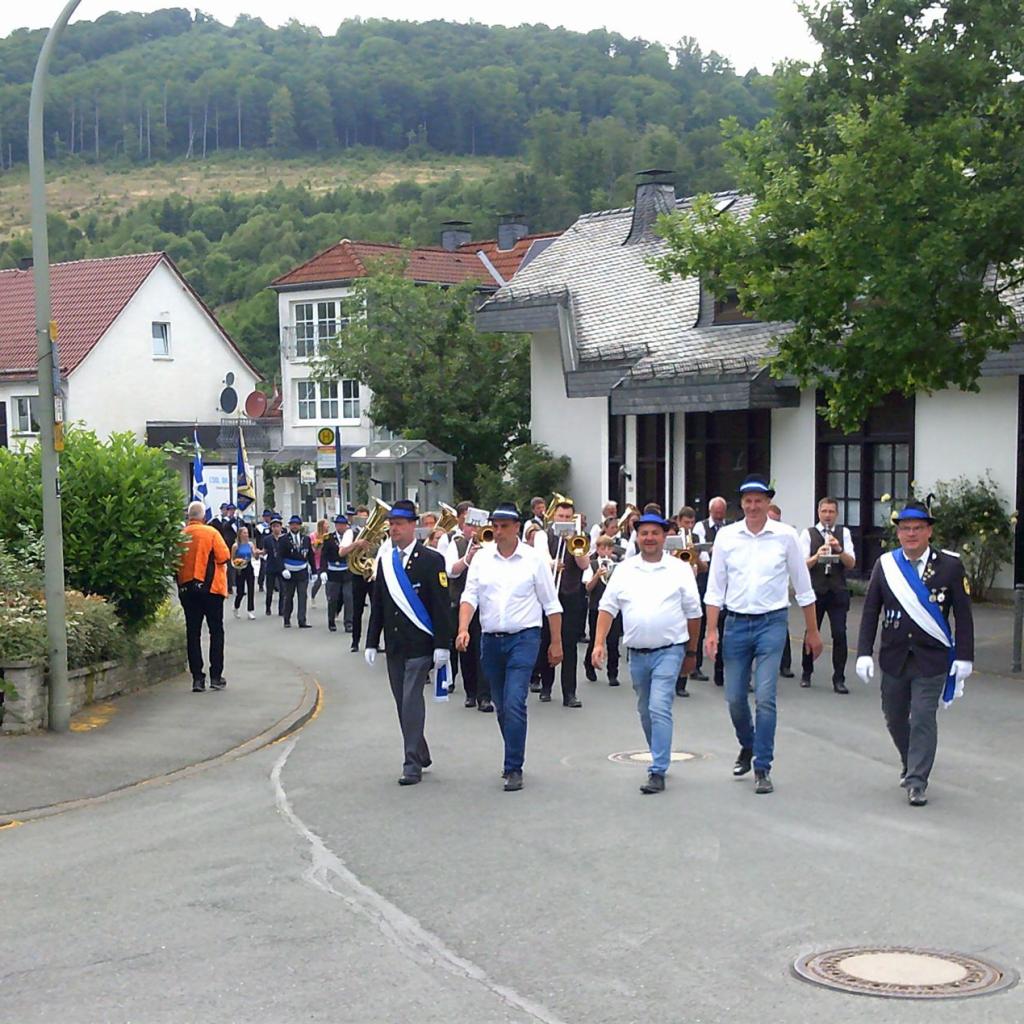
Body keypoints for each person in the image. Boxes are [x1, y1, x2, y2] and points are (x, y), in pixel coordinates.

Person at [704, 475, 823, 794]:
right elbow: (715, 590)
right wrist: (711, 630)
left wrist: (812, 632)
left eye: (759, 500)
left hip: (772, 622)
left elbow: (803, 587)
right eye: (748, 501)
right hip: (736, 623)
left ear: (768, 503)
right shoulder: (728, 537)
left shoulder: (785, 537)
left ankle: (762, 766)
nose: (754, 506)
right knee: (734, 698)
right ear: (741, 504)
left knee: (767, 697)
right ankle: (748, 743)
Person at [855, 502, 974, 806]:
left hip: (932, 657)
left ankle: (917, 780)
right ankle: (911, 761)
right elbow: (870, 610)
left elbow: (963, 613)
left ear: (929, 531)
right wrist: (864, 653)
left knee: (922, 716)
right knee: (895, 717)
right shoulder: (887, 565)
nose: (911, 534)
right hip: (894, 655)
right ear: (898, 533)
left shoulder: (949, 565)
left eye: (917, 528)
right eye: (905, 529)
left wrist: (965, 656)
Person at [592, 512, 703, 794]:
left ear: (665, 536)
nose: (649, 538)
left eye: (655, 533)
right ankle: (659, 752)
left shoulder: (679, 569)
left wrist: (691, 652)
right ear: (637, 537)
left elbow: (694, 613)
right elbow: (608, 607)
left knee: (658, 706)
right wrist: (599, 643)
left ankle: (658, 770)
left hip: (670, 650)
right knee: (645, 709)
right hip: (638, 654)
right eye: (644, 533)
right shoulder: (625, 570)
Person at [458, 502, 563, 792]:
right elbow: (470, 595)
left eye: (505, 526)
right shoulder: (481, 559)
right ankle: (513, 750)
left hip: (525, 637)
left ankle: (513, 766)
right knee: (502, 706)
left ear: (517, 527)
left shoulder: (533, 559)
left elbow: (551, 604)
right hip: (491, 639)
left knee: (515, 701)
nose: (500, 531)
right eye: (496, 526)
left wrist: (556, 643)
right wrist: (464, 628)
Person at [364, 500, 452, 786]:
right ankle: (421, 750)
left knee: (411, 698)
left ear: (414, 525)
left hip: (419, 643)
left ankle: (411, 763)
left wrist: (442, 644)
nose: (394, 529)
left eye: (400, 524)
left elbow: (441, 606)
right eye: (391, 523)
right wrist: (370, 641)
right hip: (395, 644)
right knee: (401, 703)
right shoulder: (385, 561)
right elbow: (378, 604)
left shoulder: (431, 560)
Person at [799, 497, 856, 693]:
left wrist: (839, 550)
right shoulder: (808, 534)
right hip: (816, 590)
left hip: (837, 590)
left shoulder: (844, 533)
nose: (828, 516)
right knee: (811, 631)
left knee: (839, 634)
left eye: (831, 512)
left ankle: (839, 678)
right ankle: (807, 672)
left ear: (837, 514)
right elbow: (801, 565)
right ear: (818, 512)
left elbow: (851, 563)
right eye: (824, 512)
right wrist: (817, 556)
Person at [539, 498, 590, 707]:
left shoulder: (580, 537)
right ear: (554, 517)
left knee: (569, 644)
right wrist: (552, 563)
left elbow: (585, 564)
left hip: (571, 595)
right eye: (561, 516)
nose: (564, 520)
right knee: (546, 641)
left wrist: (574, 544)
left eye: (568, 517)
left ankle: (570, 693)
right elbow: (540, 557)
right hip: (548, 594)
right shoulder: (544, 535)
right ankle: (546, 686)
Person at [177, 500, 230, 692]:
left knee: (193, 633)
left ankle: (197, 678)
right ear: (204, 517)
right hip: (212, 590)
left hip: (187, 589)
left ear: (188, 517)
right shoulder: (211, 533)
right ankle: (216, 676)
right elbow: (224, 557)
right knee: (216, 632)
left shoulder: (180, 536)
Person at [445, 515, 494, 712]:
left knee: (483, 649)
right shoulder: (456, 544)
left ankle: (485, 696)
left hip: (485, 604)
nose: (474, 529)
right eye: (469, 525)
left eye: (477, 525)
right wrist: (468, 558)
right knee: (465, 649)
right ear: (462, 526)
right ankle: (470, 692)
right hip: (461, 603)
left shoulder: (490, 543)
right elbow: (451, 571)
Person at [691, 496, 729, 685]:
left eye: (722, 513)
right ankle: (695, 665)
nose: (720, 516)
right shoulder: (701, 527)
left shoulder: (728, 527)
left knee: (723, 625)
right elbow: (701, 550)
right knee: (701, 623)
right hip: (706, 575)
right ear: (710, 511)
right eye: (717, 513)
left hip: (724, 577)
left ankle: (720, 670)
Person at [583, 535, 623, 685]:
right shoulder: (591, 565)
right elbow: (587, 587)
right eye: (602, 548)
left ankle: (613, 673)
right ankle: (589, 664)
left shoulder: (618, 566)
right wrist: (596, 575)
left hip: (615, 609)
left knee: (613, 642)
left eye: (608, 548)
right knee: (595, 638)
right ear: (598, 549)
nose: (605, 551)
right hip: (596, 607)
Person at [767, 503, 795, 678]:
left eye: (777, 520)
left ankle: (785, 665)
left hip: (778, 594)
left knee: (782, 630)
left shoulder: (784, 537)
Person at [280, 515, 316, 628]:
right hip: (289, 572)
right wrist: (283, 569)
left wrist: (314, 571)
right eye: (292, 524)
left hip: (302, 571)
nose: (294, 526)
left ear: (300, 526)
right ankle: (286, 619)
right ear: (290, 525)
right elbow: (279, 556)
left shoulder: (306, 539)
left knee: (302, 596)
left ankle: (302, 620)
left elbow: (310, 555)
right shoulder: (284, 539)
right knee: (288, 596)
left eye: (296, 524)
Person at [321, 514, 352, 633]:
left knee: (348, 598)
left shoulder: (350, 537)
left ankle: (348, 623)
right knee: (333, 599)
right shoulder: (329, 538)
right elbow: (324, 556)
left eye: (343, 525)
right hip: (333, 571)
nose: (341, 527)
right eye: (338, 524)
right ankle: (331, 621)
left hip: (346, 571)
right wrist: (323, 571)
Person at [348, 505, 373, 652]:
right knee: (357, 610)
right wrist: (357, 543)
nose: (363, 520)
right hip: (357, 574)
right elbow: (342, 551)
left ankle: (373, 642)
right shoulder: (351, 533)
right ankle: (355, 641)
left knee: (377, 610)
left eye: (365, 518)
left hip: (372, 574)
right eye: (360, 518)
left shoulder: (375, 533)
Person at [230, 525, 257, 620]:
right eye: (244, 533)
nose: (246, 534)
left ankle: (250, 610)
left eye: (247, 533)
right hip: (240, 568)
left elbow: (254, 555)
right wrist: (237, 564)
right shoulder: (235, 546)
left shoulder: (250, 544)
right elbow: (232, 559)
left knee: (251, 589)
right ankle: (236, 607)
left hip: (249, 566)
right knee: (240, 592)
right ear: (240, 534)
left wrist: (258, 553)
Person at [262, 515, 286, 616]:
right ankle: (268, 607)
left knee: (283, 590)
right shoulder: (267, 539)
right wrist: (259, 553)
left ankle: (282, 609)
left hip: (281, 567)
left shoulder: (285, 538)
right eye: (274, 526)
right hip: (271, 566)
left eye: (277, 526)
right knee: (270, 590)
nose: (276, 528)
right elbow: (265, 551)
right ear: (271, 528)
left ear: (281, 527)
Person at [309, 517, 331, 605]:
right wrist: (317, 546)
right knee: (318, 582)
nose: (328, 526)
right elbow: (312, 550)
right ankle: (313, 596)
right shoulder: (313, 536)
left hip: (326, 561)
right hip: (317, 561)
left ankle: (329, 600)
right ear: (321, 526)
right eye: (326, 524)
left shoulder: (328, 536)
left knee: (328, 583)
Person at [254, 508, 273, 592]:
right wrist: (258, 549)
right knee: (263, 568)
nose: (267, 518)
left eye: (268, 516)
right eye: (265, 516)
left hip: (272, 549)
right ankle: (260, 583)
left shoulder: (273, 526)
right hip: (263, 548)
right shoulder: (259, 527)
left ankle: (274, 585)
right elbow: (258, 539)